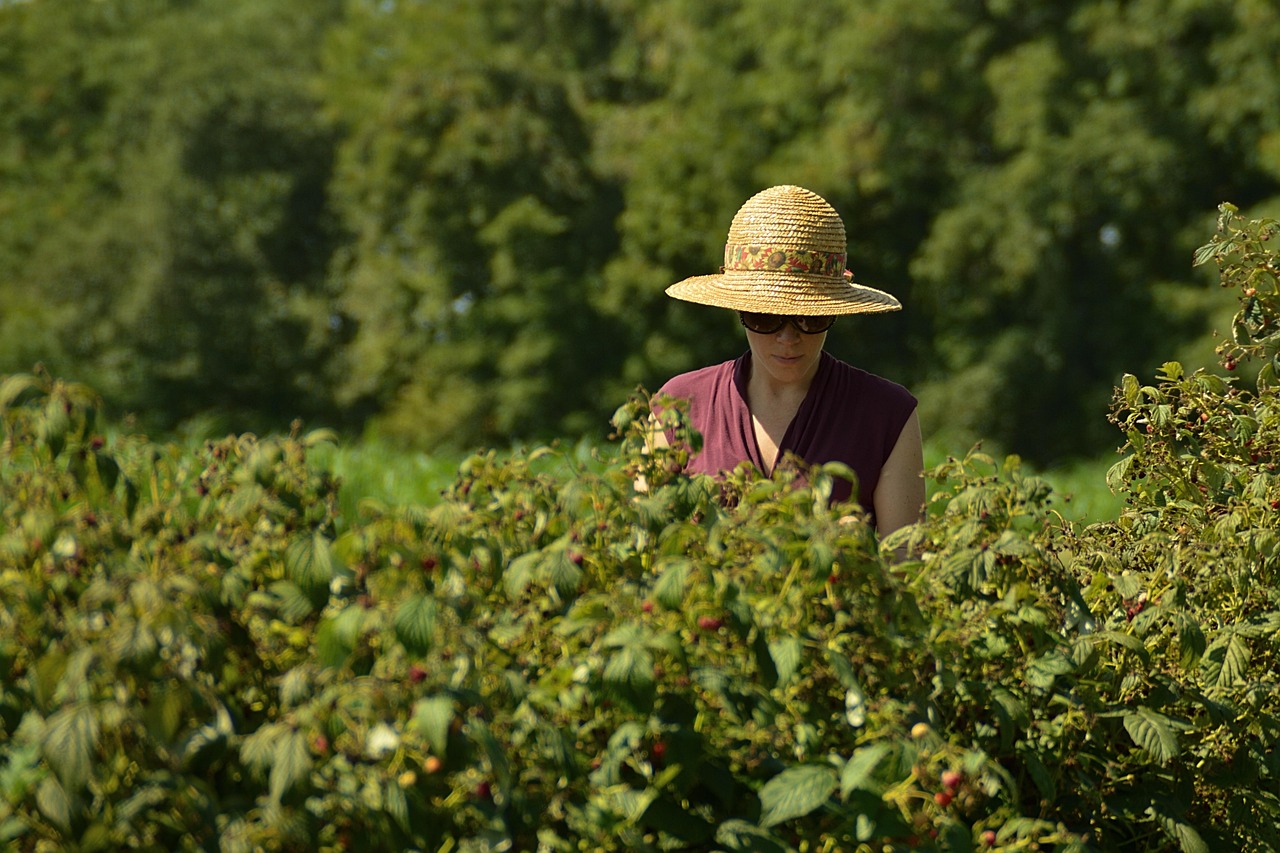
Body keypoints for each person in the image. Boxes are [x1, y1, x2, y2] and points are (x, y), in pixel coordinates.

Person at [651, 184, 924, 538]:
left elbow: (906, 566)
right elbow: (649, 551)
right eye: (765, 318)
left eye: (810, 319)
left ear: (835, 312)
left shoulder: (886, 414)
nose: (788, 338)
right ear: (738, 309)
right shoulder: (681, 405)